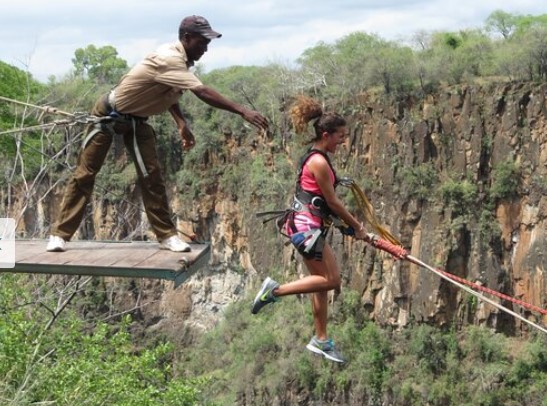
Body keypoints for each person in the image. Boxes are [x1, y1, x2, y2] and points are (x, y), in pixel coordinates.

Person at [46, 15, 268, 252]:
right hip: (108, 113)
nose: (206, 48)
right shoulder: (169, 58)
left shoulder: (180, 64)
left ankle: (166, 236)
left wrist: (181, 123)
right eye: (203, 42)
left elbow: (169, 90)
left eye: (208, 43)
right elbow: (201, 91)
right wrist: (243, 111)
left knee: (151, 176)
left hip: (137, 121)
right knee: (85, 174)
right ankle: (59, 235)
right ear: (187, 38)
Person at [251, 95, 367, 364]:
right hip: (307, 229)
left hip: (306, 228)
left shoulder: (318, 157)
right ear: (326, 134)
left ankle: (321, 339)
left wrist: (345, 225)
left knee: (321, 285)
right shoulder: (319, 162)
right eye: (340, 135)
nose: (343, 141)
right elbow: (332, 202)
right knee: (333, 280)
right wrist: (357, 226)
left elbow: (319, 199)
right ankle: (274, 291)